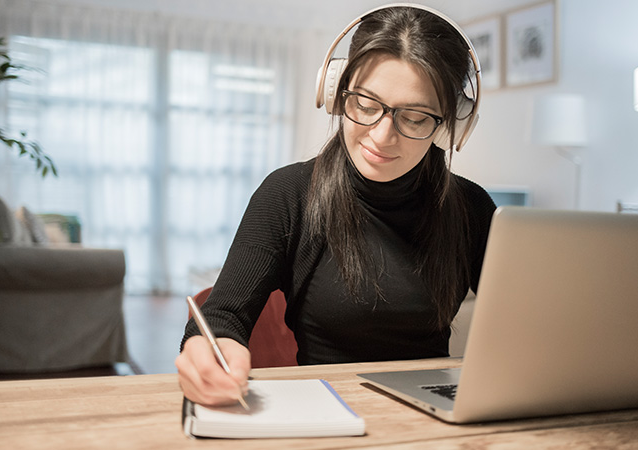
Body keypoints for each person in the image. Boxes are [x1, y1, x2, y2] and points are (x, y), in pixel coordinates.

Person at [176, 4, 496, 407]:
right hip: (325, 408)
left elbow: (528, 324)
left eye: (414, 118)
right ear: (334, 92)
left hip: (436, 414)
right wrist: (211, 348)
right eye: (365, 104)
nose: (381, 136)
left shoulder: (471, 207)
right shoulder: (288, 194)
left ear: (451, 123)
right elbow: (222, 317)